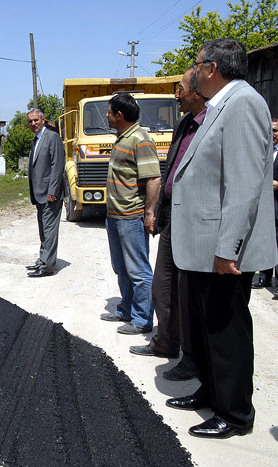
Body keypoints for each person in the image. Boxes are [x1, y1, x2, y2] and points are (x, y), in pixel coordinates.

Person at [166, 38, 277, 439]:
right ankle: (211, 394)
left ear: (212, 68)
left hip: (222, 250)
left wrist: (227, 246)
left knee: (225, 332)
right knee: (206, 327)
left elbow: (245, 184)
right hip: (203, 246)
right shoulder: (221, 106)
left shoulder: (243, 103)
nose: (191, 73)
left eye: (196, 65)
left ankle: (234, 414)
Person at [129, 69, 205, 382]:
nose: (176, 94)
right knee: (164, 286)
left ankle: (189, 355)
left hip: (196, 222)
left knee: (187, 295)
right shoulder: (185, 124)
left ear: (198, 92)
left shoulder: (210, 125)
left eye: (181, 89)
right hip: (174, 219)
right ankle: (166, 342)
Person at [99, 93, 161, 334]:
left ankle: (142, 319)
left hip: (131, 217)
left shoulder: (140, 139)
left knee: (138, 270)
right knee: (121, 267)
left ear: (119, 115)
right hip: (114, 215)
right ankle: (126, 308)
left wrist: (149, 213)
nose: (107, 115)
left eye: (109, 111)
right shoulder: (122, 137)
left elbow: (154, 178)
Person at [25, 109, 66, 278]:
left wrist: (52, 191)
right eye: (30, 121)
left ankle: (47, 267)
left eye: (36, 120)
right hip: (39, 193)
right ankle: (43, 260)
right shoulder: (37, 139)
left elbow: (57, 165)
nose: (33, 124)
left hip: (50, 194)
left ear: (43, 120)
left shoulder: (52, 137)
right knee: (43, 229)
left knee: (49, 230)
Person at [251, 116, 278, 289]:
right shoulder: (262, 149)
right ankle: (264, 276)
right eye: (270, 130)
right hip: (264, 204)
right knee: (266, 241)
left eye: (275, 130)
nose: (272, 134)